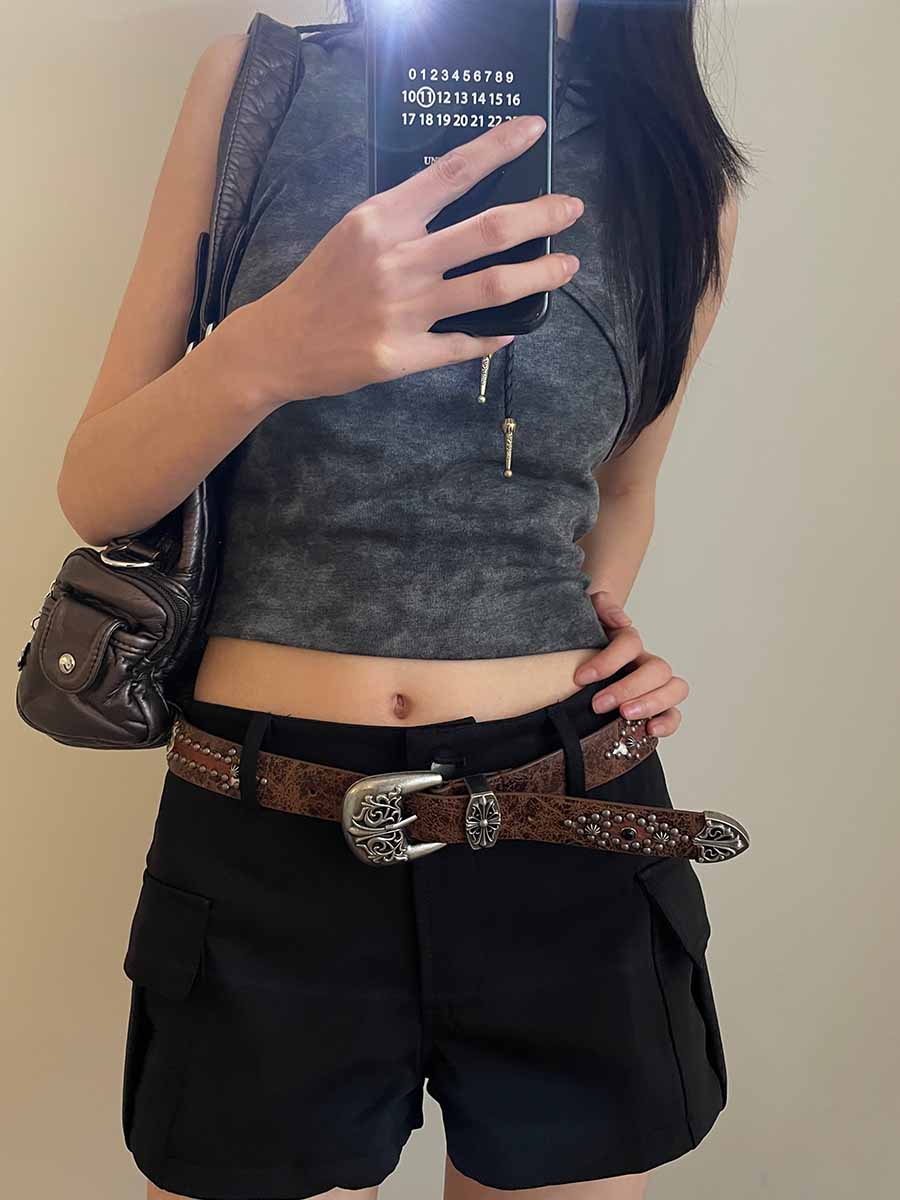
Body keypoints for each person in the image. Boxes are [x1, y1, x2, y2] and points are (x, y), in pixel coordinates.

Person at [56, 2, 750, 1198]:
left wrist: (609, 631)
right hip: (263, 829)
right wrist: (270, 349)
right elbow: (97, 488)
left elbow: (626, 491)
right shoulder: (259, 85)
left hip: (565, 815)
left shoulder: (679, 165)